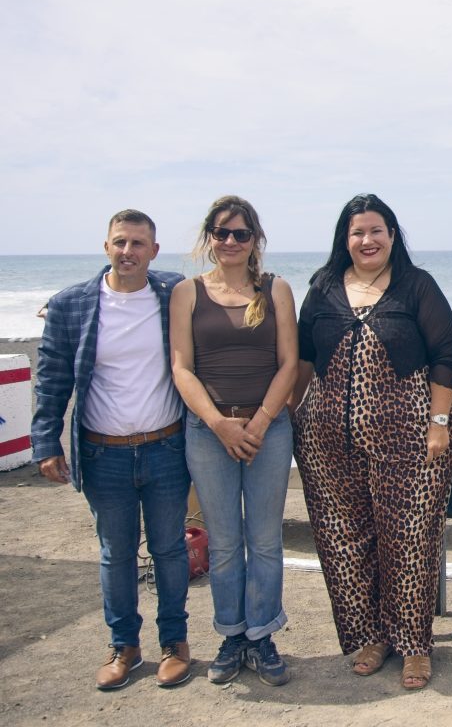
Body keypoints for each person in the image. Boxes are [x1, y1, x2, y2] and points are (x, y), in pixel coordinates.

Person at [291, 194, 452, 691]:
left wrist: (438, 421)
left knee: (408, 540)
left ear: (393, 235)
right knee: (344, 541)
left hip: (411, 439)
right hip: (327, 440)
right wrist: (290, 414)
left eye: (377, 231)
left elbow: (446, 353)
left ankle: (413, 645)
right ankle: (369, 636)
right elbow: (302, 357)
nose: (367, 241)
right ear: (344, 240)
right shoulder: (323, 288)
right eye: (357, 232)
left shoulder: (416, 286)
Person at [32, 209, 193, 689]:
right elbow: (52, 379)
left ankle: (175, 644)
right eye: (120, 242)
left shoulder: (174, 294)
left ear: (154, 251)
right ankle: (124, 647)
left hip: (166, 448)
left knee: (169, 550)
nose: (129, 252)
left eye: (138, 243)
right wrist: (46, 442)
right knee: (115, 553)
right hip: (104, 454)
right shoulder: (72, 304)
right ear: (106, 247)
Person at [169, 196, 298, 686]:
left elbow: (290, 362)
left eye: (240, 234)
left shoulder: (277, 289)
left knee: (265, 541)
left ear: (255, 240)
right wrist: (219, 424)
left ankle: (262, 636)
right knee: (224, 544)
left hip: (269, 430)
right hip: (208, 433)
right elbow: (181, 367)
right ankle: (232, 636)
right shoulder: (186, 293)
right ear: (209, 238)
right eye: (221, 232)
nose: (230, 242)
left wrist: (262, 422)